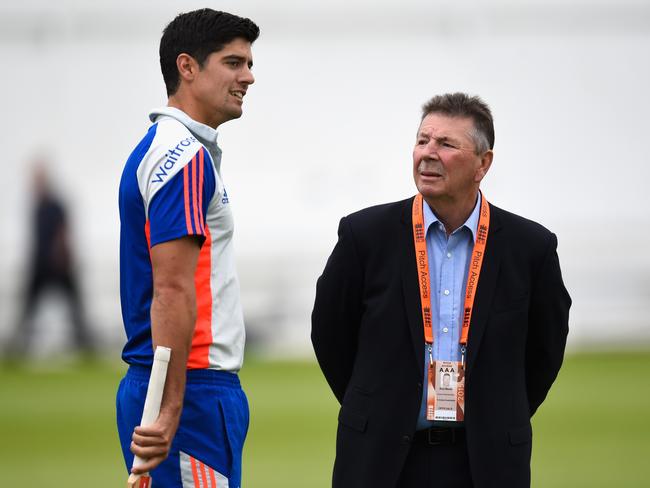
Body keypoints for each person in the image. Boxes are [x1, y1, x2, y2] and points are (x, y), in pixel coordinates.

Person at [311, 93, 571, 488]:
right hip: (380, 459)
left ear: (483, 164)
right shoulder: (364, 236)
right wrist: (376, 406)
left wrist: (500, 414)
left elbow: (545, 349)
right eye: (422, 141)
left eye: (446, 144)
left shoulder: (530, 247)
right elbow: (330, 333)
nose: (427, 154)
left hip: (487, 462)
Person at [115, 9, 259, 487]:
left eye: (249, 63)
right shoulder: (185, 158)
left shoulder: (163, 148)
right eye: (234, 62)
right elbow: (173, 289)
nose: (249, 77)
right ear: (187, 67)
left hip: (176, 383)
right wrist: (172, 404)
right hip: (193, 387)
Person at [6, 162, 92, 359]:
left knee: (75, 310)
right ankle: (18, 348)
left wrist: (63, 259)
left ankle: (86, 346)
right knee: (28, 310)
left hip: (59, 266)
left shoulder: (55, 205)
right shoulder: (37, 206)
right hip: (40, 266)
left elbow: (63, 234)